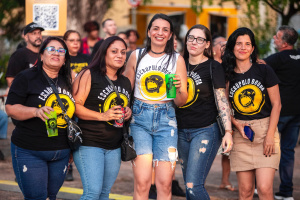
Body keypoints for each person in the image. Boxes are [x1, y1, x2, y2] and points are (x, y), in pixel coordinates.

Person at [124, 13, 188, 200]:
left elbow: (180, 102)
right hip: (139, 120)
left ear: (170, 35)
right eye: (156, 28)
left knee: (165, 184)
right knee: (143, 183)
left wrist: (176, 89)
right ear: (149, 32)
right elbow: (126, 91)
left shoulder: (177, 60)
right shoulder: (136, 56)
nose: (160, 33)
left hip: (166, 121)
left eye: (165, 30)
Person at [5, 37, 74, 200]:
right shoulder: (26, 77)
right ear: (41, 55)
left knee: (51, 196)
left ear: (65, 59)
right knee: (37, 197)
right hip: (30, 149)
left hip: (61, 151)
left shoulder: (70, 80)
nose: (56, 53)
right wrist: (36, 112)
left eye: (61, 51)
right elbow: (10, 108)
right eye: (51, 49)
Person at [222, 27, 281, 199]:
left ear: (253, 48)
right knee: (246, 191)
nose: (243, 47)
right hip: (242, 134)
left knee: (264, 188)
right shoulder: (227, 74)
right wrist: (236, 124)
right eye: (239, 43)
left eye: (247, 44)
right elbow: (224, 106)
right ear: (232, 47)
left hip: (266, 131)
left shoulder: (264, 70)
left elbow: (277, 104)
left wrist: (270, 135)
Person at [175, 25, 233, 200]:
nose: (194, 42)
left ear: (207, 44)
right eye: (191, 38)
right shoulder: (178, 64)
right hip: (180, 131)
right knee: (189, 186)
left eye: (200, 39)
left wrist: (228, 131)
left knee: (193, 186)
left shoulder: (213, 67)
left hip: (205, 130)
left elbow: (222, 100)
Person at [72, 36, 132, 200]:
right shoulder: (89, 74)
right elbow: (76, 107)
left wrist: (128, 113)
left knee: (104, 194)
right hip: (90, 143)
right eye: (114, 51)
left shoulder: (125, 81)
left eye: (123, 52)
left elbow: (128, 107)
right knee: (92, 193)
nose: (119, 55)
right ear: (104, 54)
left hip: (114, 146)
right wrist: (102, 116)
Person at [262, 26, 300, 200]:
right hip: (297, 113)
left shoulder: (276, 59)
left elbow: (258, 70)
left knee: (267, 148)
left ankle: (260, 187)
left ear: (284, 42)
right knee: (287, 151)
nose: (274, 38)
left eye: (276, 37)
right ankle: (286, 192)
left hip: (279, 112)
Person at [212, 35, 235, 192]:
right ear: (213, 48)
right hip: (209, 113)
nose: (224, 47)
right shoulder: (209, 66)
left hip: (227, 112)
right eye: (221, 44)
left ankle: (225, 180)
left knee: (228, 150)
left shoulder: (229, 66)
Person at [6, 22, 44, 90]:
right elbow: (10, 80)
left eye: (39, 33)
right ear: (26, 37)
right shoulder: (19, 55)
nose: (38, 36)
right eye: (34, 33)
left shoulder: (45, 54)